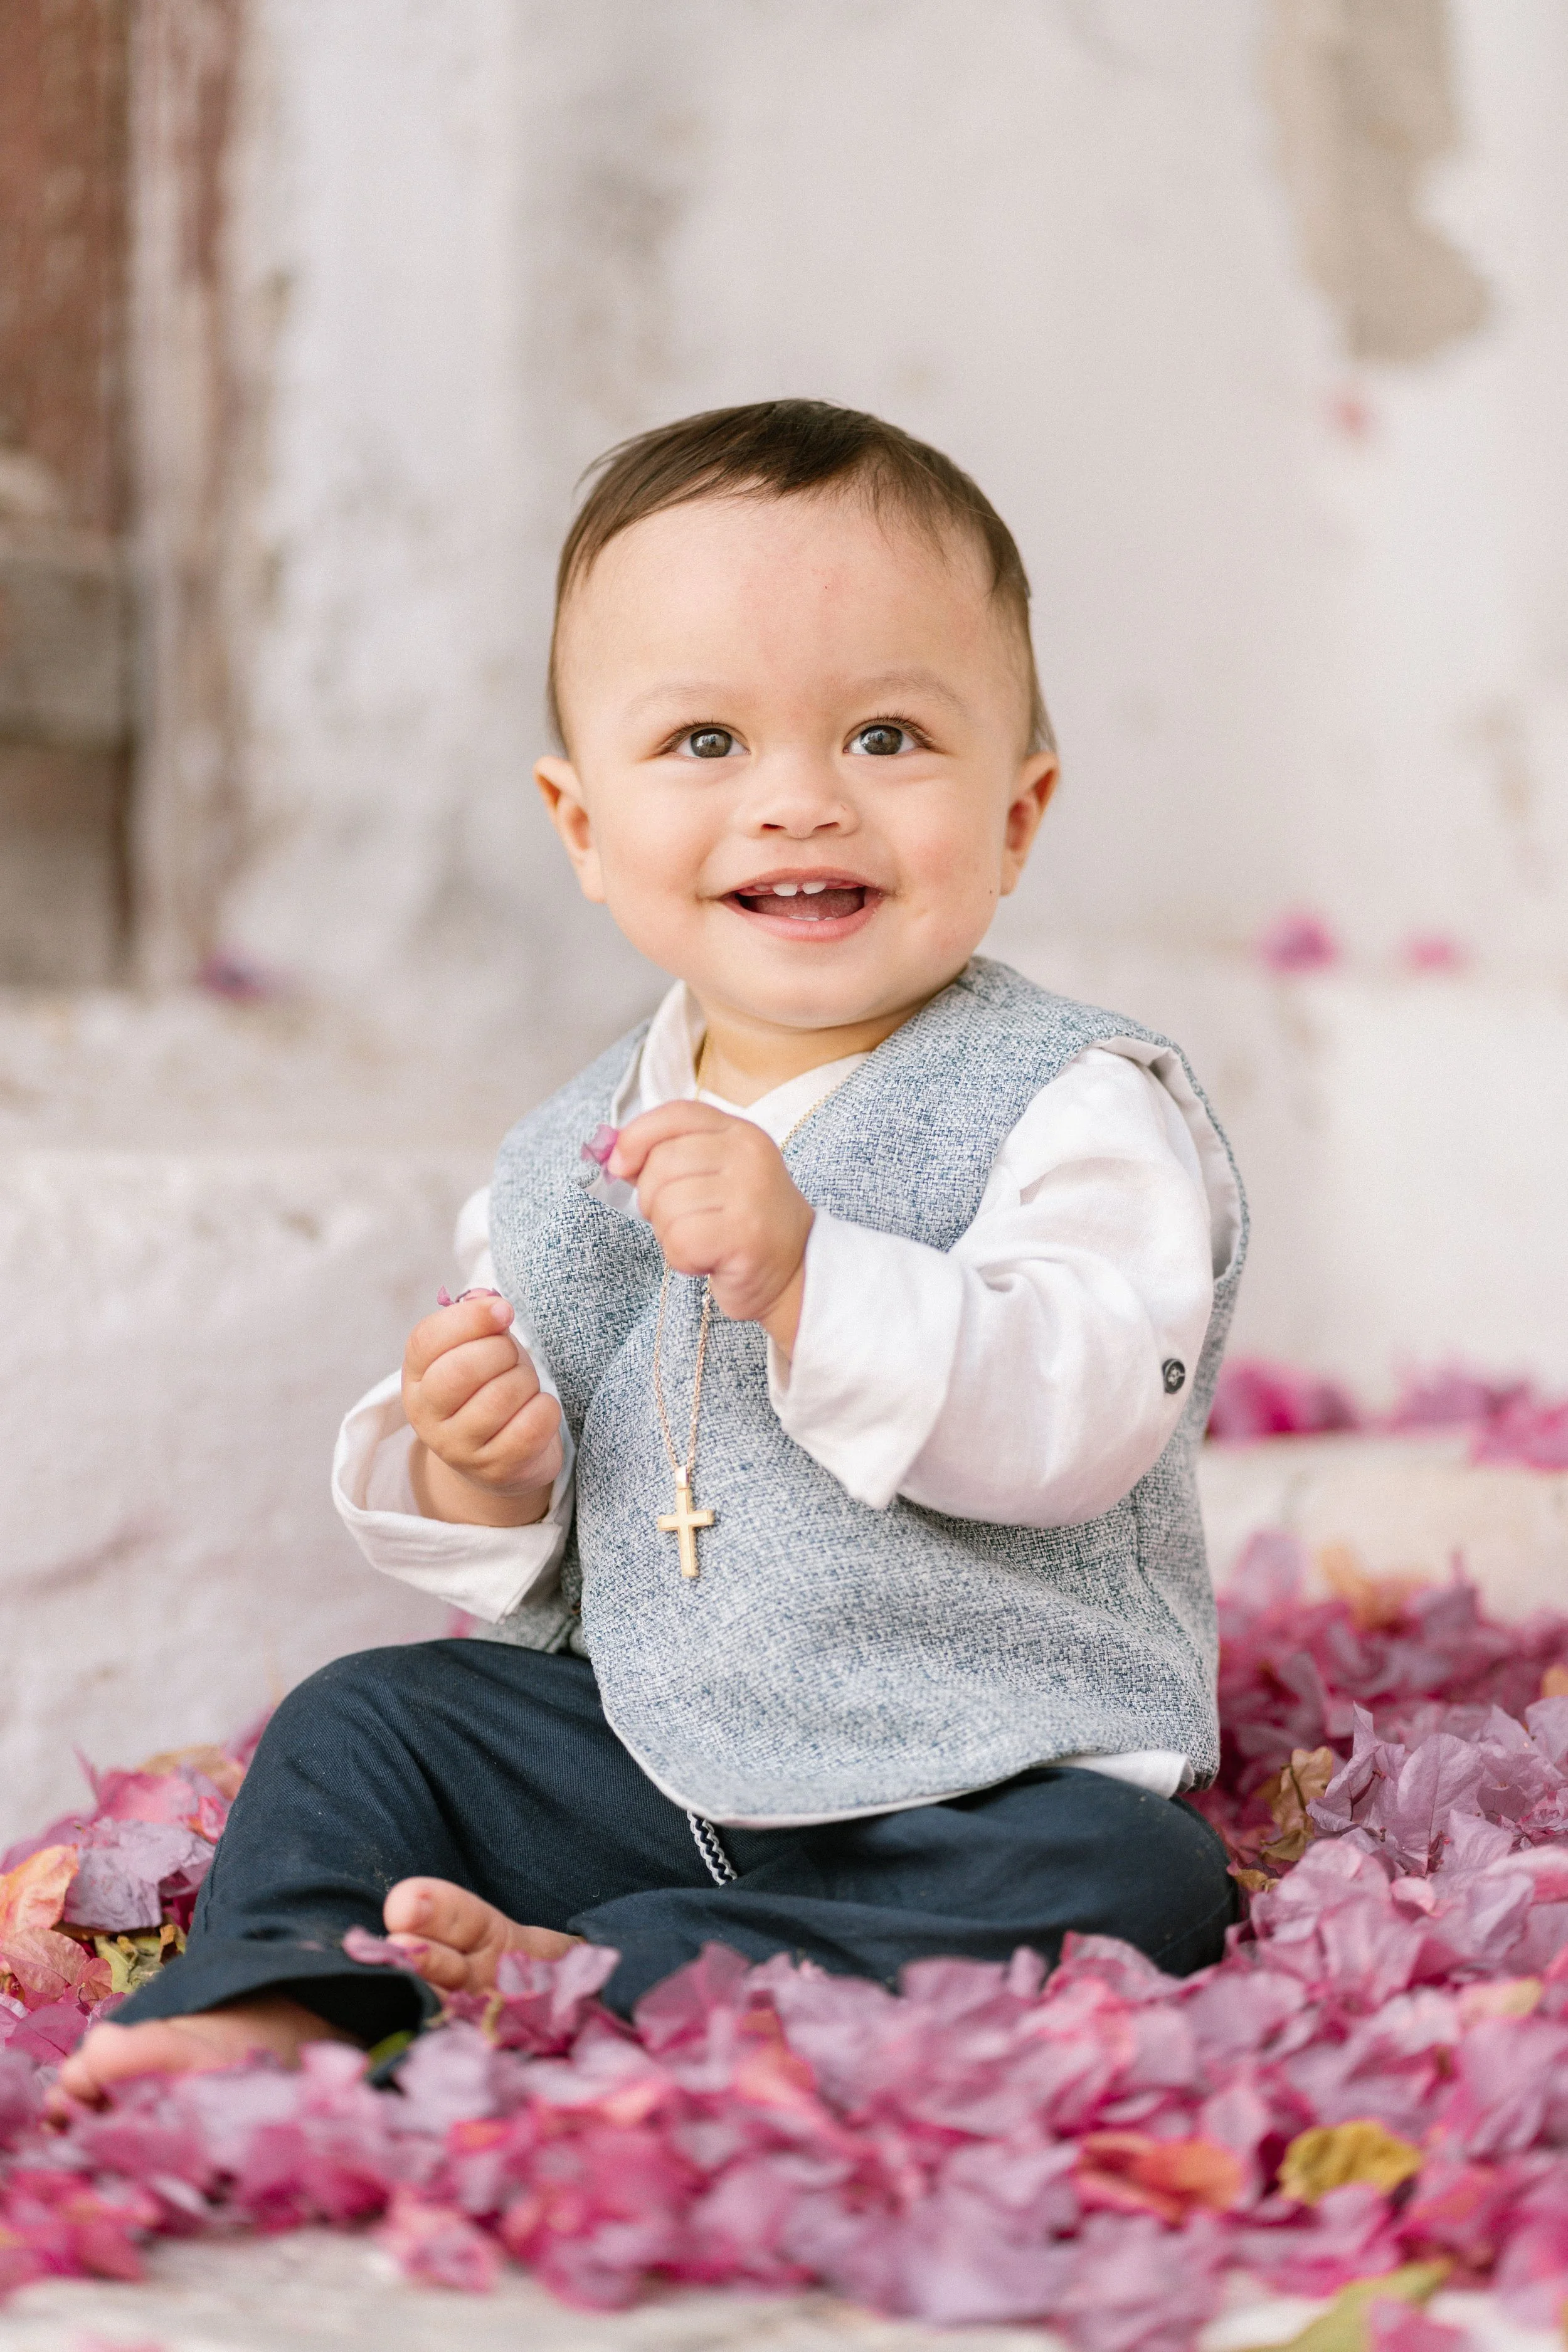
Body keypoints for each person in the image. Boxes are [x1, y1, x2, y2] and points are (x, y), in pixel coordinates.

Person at [60, 400, 1245, 2104]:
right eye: (703, 742)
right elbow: (545, 1545)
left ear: (1017, 809)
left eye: (887, 736)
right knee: (365, 1717)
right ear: (580, 823)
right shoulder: (562, 1153)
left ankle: (621, 1966)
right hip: (640, 1751)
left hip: (961, 1778)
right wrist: (484, 1465)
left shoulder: (1073, 1102)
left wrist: (814, 1274)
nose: (796, 803)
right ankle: (286, 1985)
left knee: (1138, 1887)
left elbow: (1078, 1420)